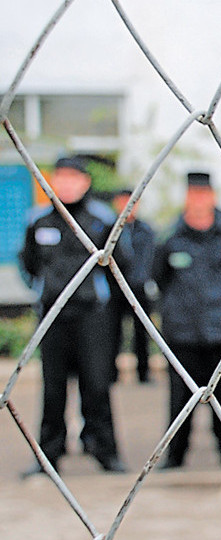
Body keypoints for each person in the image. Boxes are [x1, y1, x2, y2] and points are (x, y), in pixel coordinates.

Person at [19, 155, 129, 476]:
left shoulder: (102, 221)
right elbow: (29, 264)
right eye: (60, 177)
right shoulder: (38, 221)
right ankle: (49, 454)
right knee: (53, 387)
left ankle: (104, 449)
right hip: (52, 316)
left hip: (92, 316)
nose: (66, 184)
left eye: (73, 177)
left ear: (85, 182)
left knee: (96, 384)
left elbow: (118, 266)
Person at [154, 171, 221, 469]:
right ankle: (176, 455)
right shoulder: (170, 237)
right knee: (179, 398)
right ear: (185, 198)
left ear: (213, 197)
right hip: (182, 334)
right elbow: (159, 279)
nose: (198, 201)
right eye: (193, 195)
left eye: (203, 194)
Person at [110, 188, 156, 384]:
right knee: (112, 333)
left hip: (138, 287)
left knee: (141, 333)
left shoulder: (146, 230)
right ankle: (110, 374)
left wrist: (145, 279)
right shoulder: (109, 229)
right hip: (115, 288)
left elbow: (151, 258)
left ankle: (143, 373)